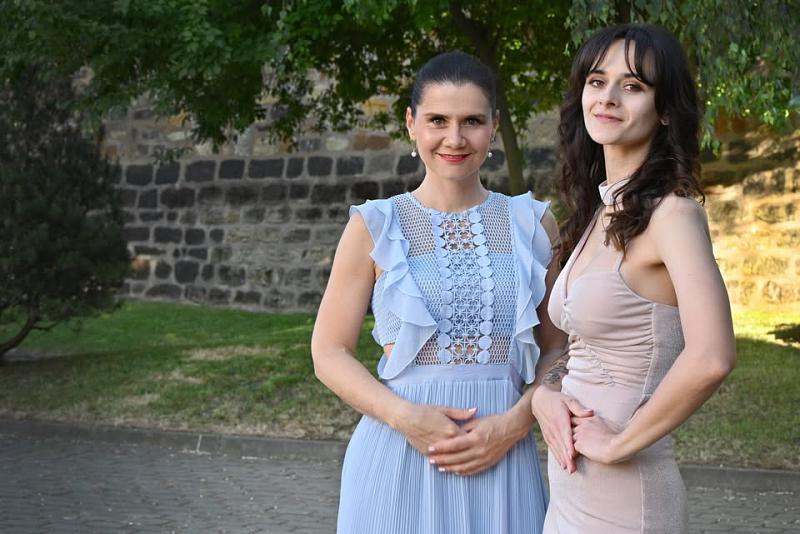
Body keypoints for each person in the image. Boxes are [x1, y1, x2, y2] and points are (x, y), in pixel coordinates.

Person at [311, 50, 565, 533]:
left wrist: (515, 423)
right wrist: (404, 417)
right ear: (411, 124)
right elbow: (328, 352)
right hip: (398, 457)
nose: (455, 138)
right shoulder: (375, 225)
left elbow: (558, 347)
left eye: (472, 121)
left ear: (494, 126)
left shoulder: (533, 223)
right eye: (437, 120)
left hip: (504, 457)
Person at [531, 24, 737, 533]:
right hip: (571, 492)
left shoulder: (673, 215)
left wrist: (618, 444)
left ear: (664, 110)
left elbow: (712, 356)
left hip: (626, 499)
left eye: (633, 86)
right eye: (597, 81)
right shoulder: (599, 211)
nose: (608, 97)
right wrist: (546, 394)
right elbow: (581, 344)